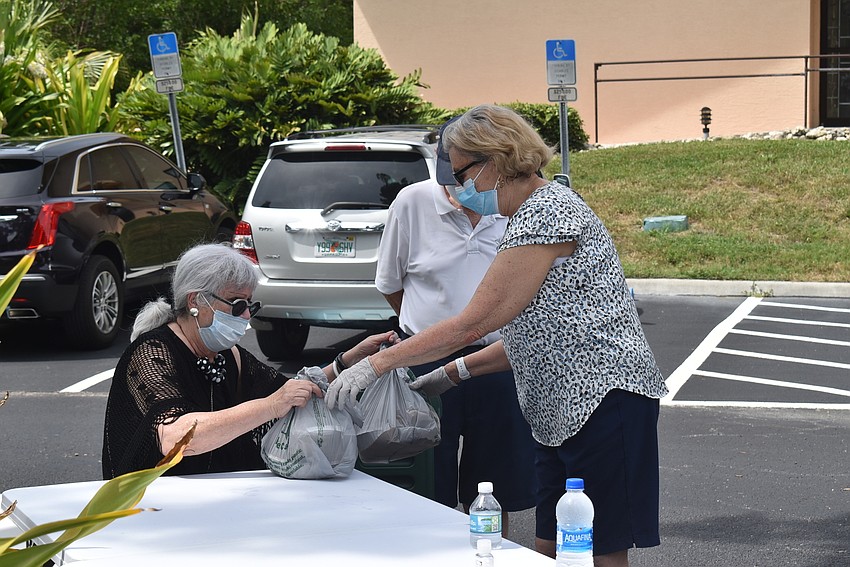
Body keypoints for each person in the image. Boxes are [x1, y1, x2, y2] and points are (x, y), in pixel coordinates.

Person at [327, 105, 668, 566]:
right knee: (549, 545)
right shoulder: (527, 215)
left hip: (603, 402)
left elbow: (474, 323)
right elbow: (534, 332)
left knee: (598, 547)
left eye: (461, 170)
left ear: (496, 161)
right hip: (560, 413)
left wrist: (378, 363)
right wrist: (453, 371)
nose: (456, 184)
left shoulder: (546, 214)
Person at [102, 243, 396, 479]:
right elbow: (177, 437)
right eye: (238, 304)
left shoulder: (229, 356)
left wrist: (349, 361)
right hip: (154, 506)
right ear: (195, 302)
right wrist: (269, 406)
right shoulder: (152, 352)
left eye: (250, 305)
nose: (246, 317)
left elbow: (291, 390)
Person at [374, 116, 537, 534]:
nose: (459, 191)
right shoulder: (412, 203)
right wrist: (430, 334)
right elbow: (392, 286)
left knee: (497, 479)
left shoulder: (515, 204)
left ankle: (488, 550)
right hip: (426, 359)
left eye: (465, 178)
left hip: (497, 360)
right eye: (451, 180)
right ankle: (434, 549)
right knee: (428, 476)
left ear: (491, 167)